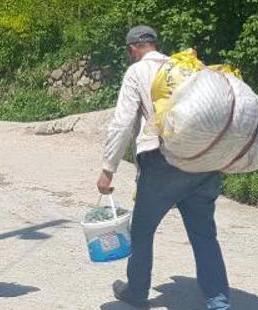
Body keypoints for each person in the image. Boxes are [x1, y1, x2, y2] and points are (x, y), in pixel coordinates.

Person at [96, 26, 231, 310]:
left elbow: (123, 123)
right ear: (155, 44)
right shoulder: (185, 67)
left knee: (142, 231)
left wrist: (108, 169)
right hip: (203, 162)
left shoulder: (137, 72)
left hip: (162, 161)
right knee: (204, 235)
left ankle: (136, 291)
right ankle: (218, 303)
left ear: (133, 49)